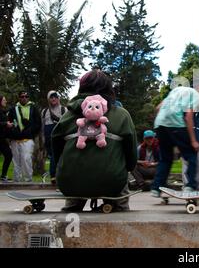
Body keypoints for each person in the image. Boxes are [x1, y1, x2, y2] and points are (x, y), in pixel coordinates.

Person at [52, 70, 137, 212]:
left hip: (71, 183)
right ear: (109, 90)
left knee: (73, 179)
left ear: (82, 89)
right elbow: (131, 156)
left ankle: (72, 207)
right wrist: (125, 168)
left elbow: (56, 149)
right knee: (120, 185)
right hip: (112, 182)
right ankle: (120, 210)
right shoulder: (122, 115)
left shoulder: (67, 117)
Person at [150, 84, 199, 197]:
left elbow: (158, 108)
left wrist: (162, 126)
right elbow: (188, 116)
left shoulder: (175, 91)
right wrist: (193, 141)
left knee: (165, 158)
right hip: (176, 124)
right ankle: (191, 185)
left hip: (160, 124)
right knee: (191, 154)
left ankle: (157, 187)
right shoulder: (195, 94)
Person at [8, 91, 41, 182]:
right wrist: (12, 133)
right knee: (16, 161)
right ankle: (16, 180)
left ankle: (28, 180)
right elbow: (9, 122)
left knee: (26, 159)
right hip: (15, 139)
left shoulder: (33, 108)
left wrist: (31, 132)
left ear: (28, 98)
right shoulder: (13, 109)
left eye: (26, 96)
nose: (24, 98)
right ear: (19, 98)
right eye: (22, 96)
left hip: (28, 139)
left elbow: (38, 123)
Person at [41, 90, 66, 185]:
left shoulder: (64, 110)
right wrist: (42, 140)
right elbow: (42, 127)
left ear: (58, 98)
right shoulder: (44, 111)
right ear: (48, 99)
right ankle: (54, 177)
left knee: (59, 157)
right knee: (52, 157)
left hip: (60, 137)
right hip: (48, 137)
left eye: (55, 96)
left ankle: (56, 176)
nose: (53, 98)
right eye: (51, 97)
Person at [0, 95, 14, 181]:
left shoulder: (2, 111)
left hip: (2, 138)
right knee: (8, 154)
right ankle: (3, 175)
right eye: (4, 100)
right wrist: (6, 124)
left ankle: (3, 175)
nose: (6, 101)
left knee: (8, 155)